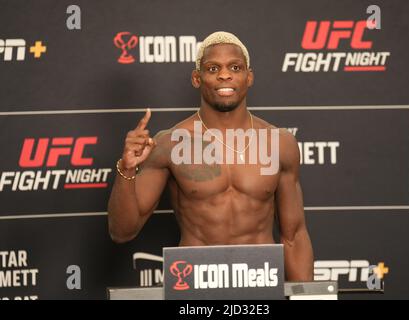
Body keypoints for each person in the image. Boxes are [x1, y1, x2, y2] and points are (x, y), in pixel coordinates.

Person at [108, 31, 313, 281]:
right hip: (194, 282)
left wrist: (307, 298)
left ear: (249, 77)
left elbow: (294, 236)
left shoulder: (280, 143)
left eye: (235, 67)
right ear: (197, 78)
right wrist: (127, 169)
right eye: (213, 68)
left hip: (260, 280)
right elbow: (122, 231)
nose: (224, 74)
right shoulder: (169, 143)